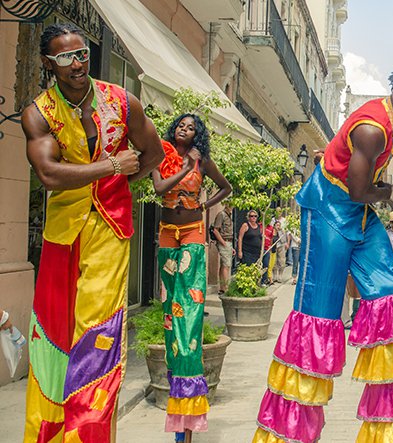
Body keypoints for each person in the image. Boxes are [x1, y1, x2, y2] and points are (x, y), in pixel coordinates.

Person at [253, 62, 393, 442]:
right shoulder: (373, 130)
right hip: (328, 210)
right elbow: (361, 191)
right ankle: (288, 432)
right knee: (318, 317)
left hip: (358, 214)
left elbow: (359, 189)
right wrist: (386, 192)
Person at [21, 23, 164, 442]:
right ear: (49, 63)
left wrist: (117, 187)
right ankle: (47, 431)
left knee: (97, 333)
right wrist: (112, 168)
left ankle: (88, 434)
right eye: (66, 57)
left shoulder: (122, 102)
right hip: (61, 234)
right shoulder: (38, 112)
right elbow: (48, 174)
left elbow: (153, 153)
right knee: (53, 333)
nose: (78, 64)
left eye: (82, 53)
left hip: (110, 229)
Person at [152, 113, 232, 442]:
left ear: (198, 135)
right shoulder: (160, 153)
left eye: (192, 128)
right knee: (172, 306)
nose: (186, 130)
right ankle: (179, 385)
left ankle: (188, 370)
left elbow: (226, 188)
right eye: (182, 126)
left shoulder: (204, 162)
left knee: (191, 305)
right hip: (168, 231)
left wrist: (204, 203)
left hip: (193, 231)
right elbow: (158, 188)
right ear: (175, 130)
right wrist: (185, 169)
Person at [213, 202, 235, 294]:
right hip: (224, 241)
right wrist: (223, 242)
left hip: (229, 241)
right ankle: (225, 287)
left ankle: (222, 287)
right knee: (227, 265)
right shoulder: (221, 214)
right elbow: (215, 230)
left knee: (224, 265)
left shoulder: (229, 215)